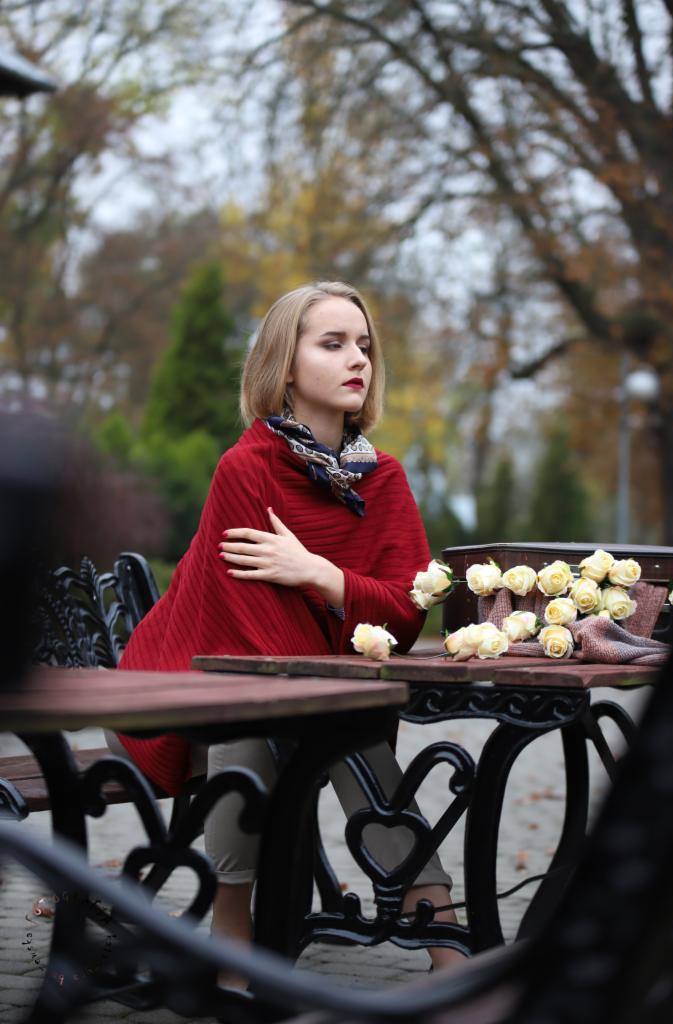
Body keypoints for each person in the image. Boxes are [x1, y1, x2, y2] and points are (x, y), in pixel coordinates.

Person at [106, 281, 462, 984]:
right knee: (270, 714)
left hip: (304, 693)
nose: (355, 358)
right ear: (285, 366)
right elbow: (250, 632)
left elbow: (403, 615)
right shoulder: (246, 470)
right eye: (331, 343)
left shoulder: (384, 480)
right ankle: (241, 934)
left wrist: (318, 575)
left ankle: (437, 939)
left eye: (363, 345)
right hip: (181, 692)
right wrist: (341, 630)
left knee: (327, 722)